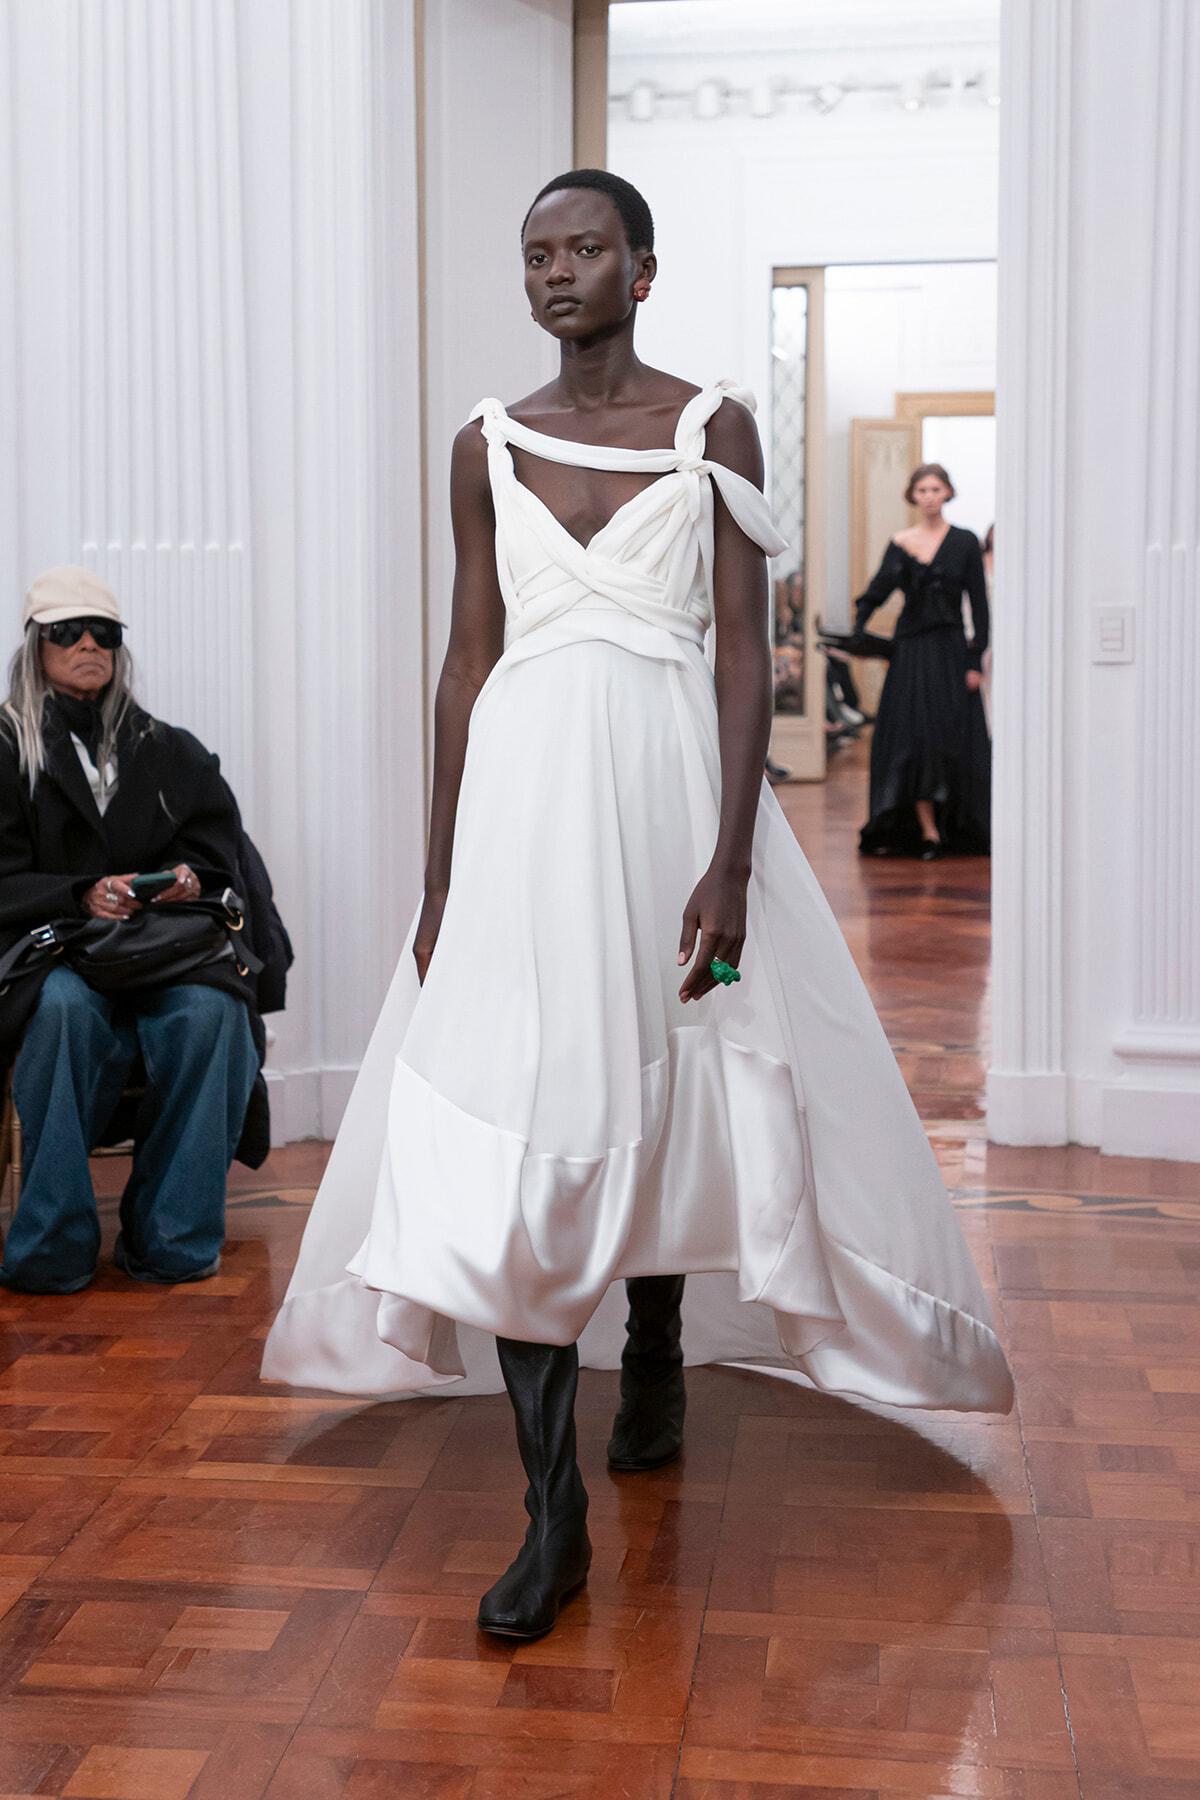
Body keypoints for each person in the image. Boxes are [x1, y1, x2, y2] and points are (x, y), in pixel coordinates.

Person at [263, 171, 1012, 1640]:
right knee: (527, 1103)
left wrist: (732, 857)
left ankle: (657, 1354)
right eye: (535, 251)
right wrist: (439, 868)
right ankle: (554, 1518)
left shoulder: (710, 421)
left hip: (676, 795)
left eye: (585, 247)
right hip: (526, 813)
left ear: (644, 270)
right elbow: (468, 657)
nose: (556, 272)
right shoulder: (483, 439)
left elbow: (744, 653)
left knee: (672, 1075)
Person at [0, 566, 263, 1293]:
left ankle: (172, 1241)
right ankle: (52, 1247)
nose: (87, 644)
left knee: (212, 1011)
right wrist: (79, 894)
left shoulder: (167, 747)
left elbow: (220, 859)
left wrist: (188, 882)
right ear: (35, 645)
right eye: (66, 631)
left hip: (158, 950)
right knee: (62, 1011)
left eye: (103, 633)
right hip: (49, 951)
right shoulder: (5, 748)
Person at [854, 464, 991, 859]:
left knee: (947, 736)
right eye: (922, 489)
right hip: (910, 653)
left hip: (949, 652)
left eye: (936, 488)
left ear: (948, 492)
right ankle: (924, 830)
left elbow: (978, 605)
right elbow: (877, 590)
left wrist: (974, 660)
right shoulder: (900, 543)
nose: (929, 495)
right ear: (912, 496)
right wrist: (858, 627)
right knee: (909, 737)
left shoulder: (965, 542)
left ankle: (950, 826)